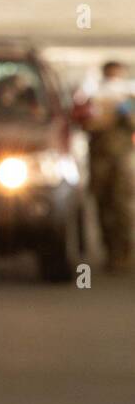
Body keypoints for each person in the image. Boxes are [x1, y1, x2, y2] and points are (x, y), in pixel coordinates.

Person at [81, 61, 135, 272]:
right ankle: (110, 252)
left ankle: (124, 253)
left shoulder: (129, 99)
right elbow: (84, 123)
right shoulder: (93, 98)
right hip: (99, 159)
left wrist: (125, 113)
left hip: (122, 160)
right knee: (102, 204)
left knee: (122, 206)